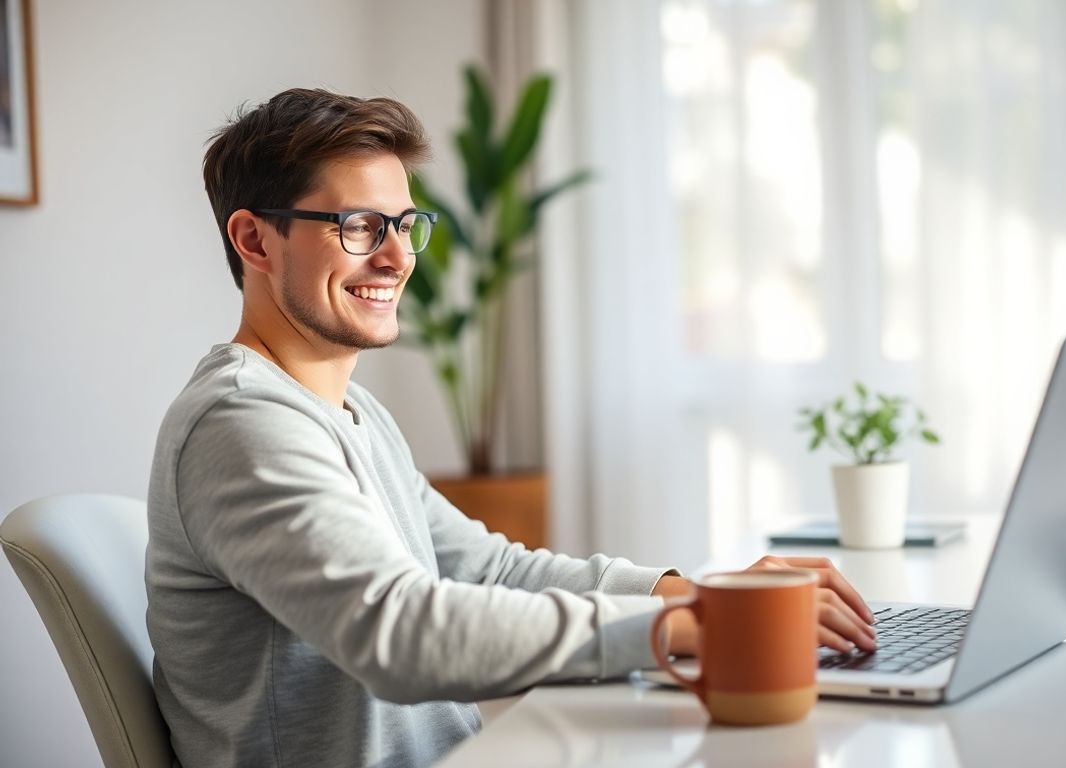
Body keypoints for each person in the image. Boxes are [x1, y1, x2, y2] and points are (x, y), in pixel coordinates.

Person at [145, 89, 877, 768]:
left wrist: (697, 597)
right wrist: (693, 627)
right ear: (255, 241)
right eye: (359, 226)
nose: (398, 257)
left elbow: (489, 570)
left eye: (403, 225)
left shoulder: (350, 414)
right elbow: (399, 636)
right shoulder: (242, 423)